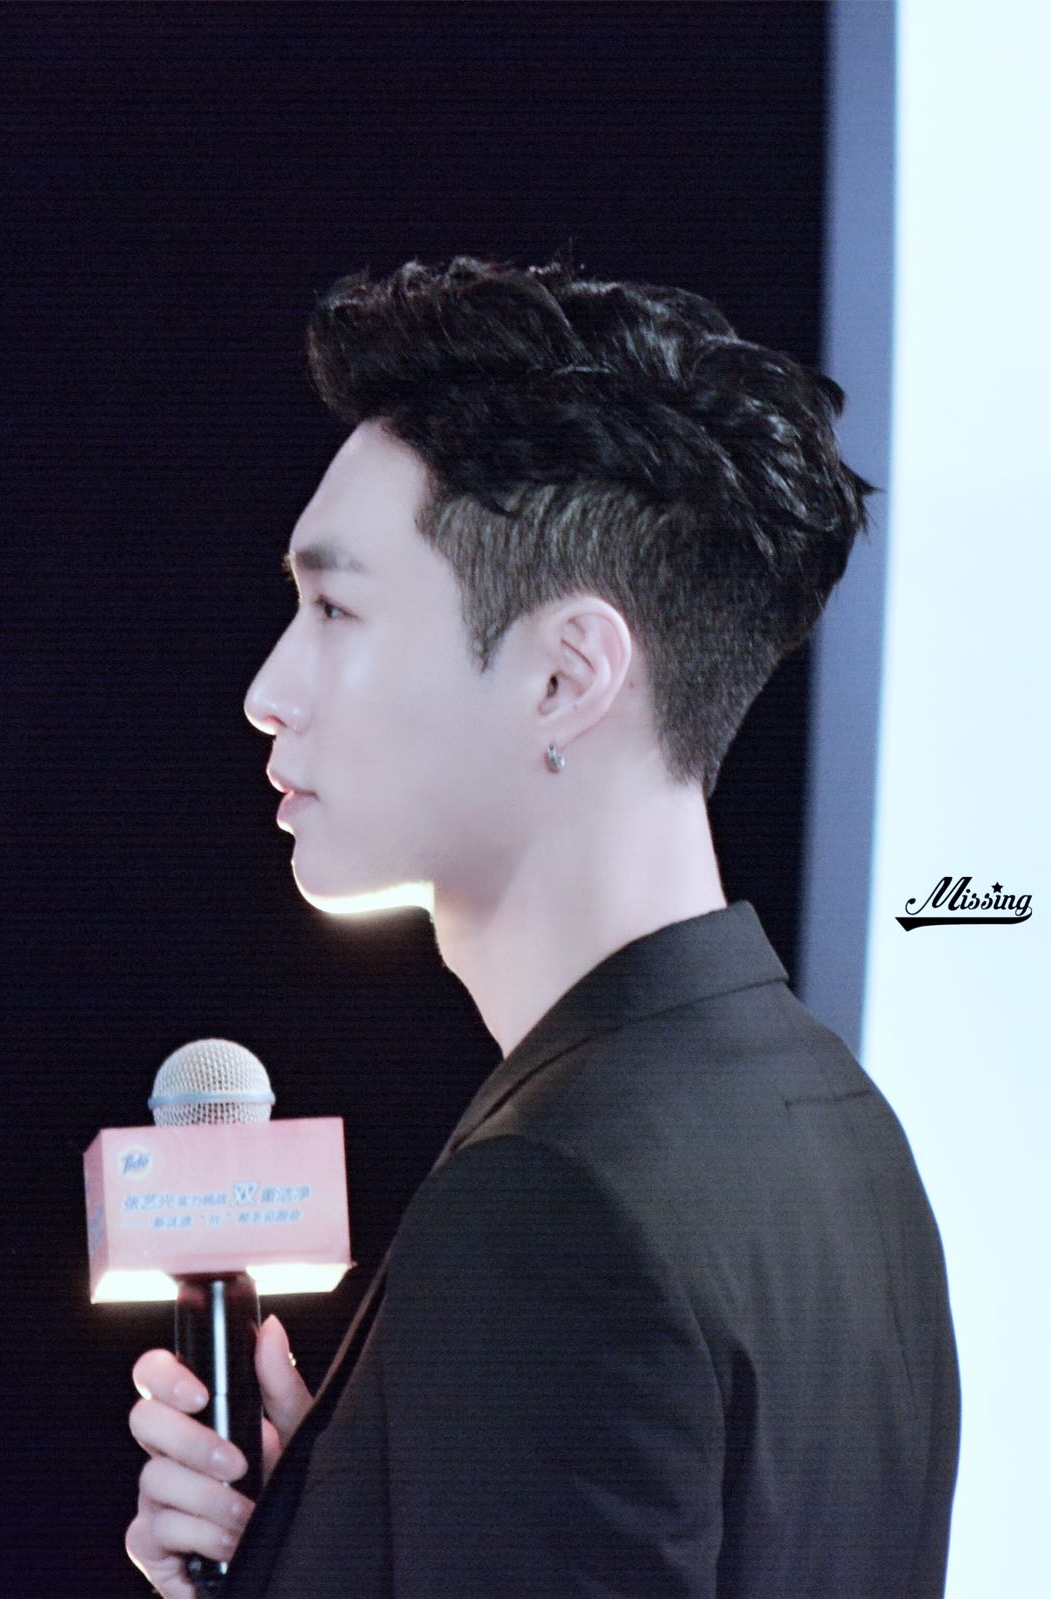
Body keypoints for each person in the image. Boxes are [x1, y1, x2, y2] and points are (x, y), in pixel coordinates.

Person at [125, 255, 960, 1597]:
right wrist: (328, 1536)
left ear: (567, 677)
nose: (267, 690)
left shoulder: (552, 1203)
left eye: (334, 607)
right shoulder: (841, 1125)